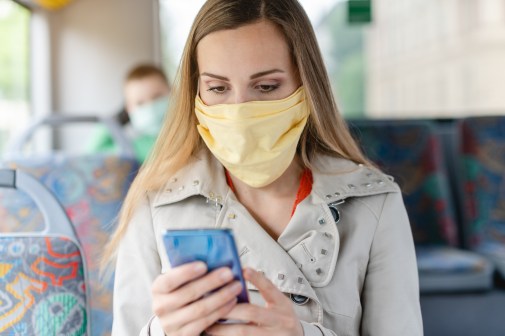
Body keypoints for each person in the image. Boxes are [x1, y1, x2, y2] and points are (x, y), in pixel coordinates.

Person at [104, 1, 423, 335]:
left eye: (267, 87)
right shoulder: (154, 202)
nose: (240, 111)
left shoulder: (376, 203)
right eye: (218, 88)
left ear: (305, 85)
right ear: (195, 92)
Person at [87, 64, 171, 162]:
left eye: (157, 97)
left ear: (173, 92)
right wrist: (113, 122)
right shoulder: (132, 148)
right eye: (140, 103)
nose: (150, 107)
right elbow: (90, 158)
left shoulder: (189, 134)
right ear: (128, 109)